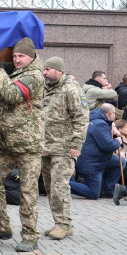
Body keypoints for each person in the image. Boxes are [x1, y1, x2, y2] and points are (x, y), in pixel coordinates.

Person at [0, 37, 44, 252]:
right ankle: (1, 226)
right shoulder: (15, 73)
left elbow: (11, 94)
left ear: (31, 56)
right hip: (5, 142)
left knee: (27, 190)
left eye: (21, 56)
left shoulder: (34, 75)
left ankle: (30, 235)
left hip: (27, 144)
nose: (16, 60)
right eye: (14, 56)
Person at [40, 56, 89, 239]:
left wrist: (76, 144)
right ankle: (59, 222)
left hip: (64, 147)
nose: (44, 72)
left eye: (48, 69)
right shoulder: (46, 88)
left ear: (59, 71)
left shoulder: (71, 89)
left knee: (59, 186)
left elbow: (81, 118)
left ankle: (64, 224)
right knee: (49, 186)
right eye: (43, 69)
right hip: (45, 146)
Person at [70, 104, 123, 200]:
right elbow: (108, 145)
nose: (115, 116)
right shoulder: (99, 124)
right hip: (91, 164)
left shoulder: (98, 121)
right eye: (114, 113)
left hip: (99, 160)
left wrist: (113, 131)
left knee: (120, 161)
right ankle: (64, 183)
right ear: (110, 114)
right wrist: (118, 141)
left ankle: (107, 189)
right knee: (93, 194)